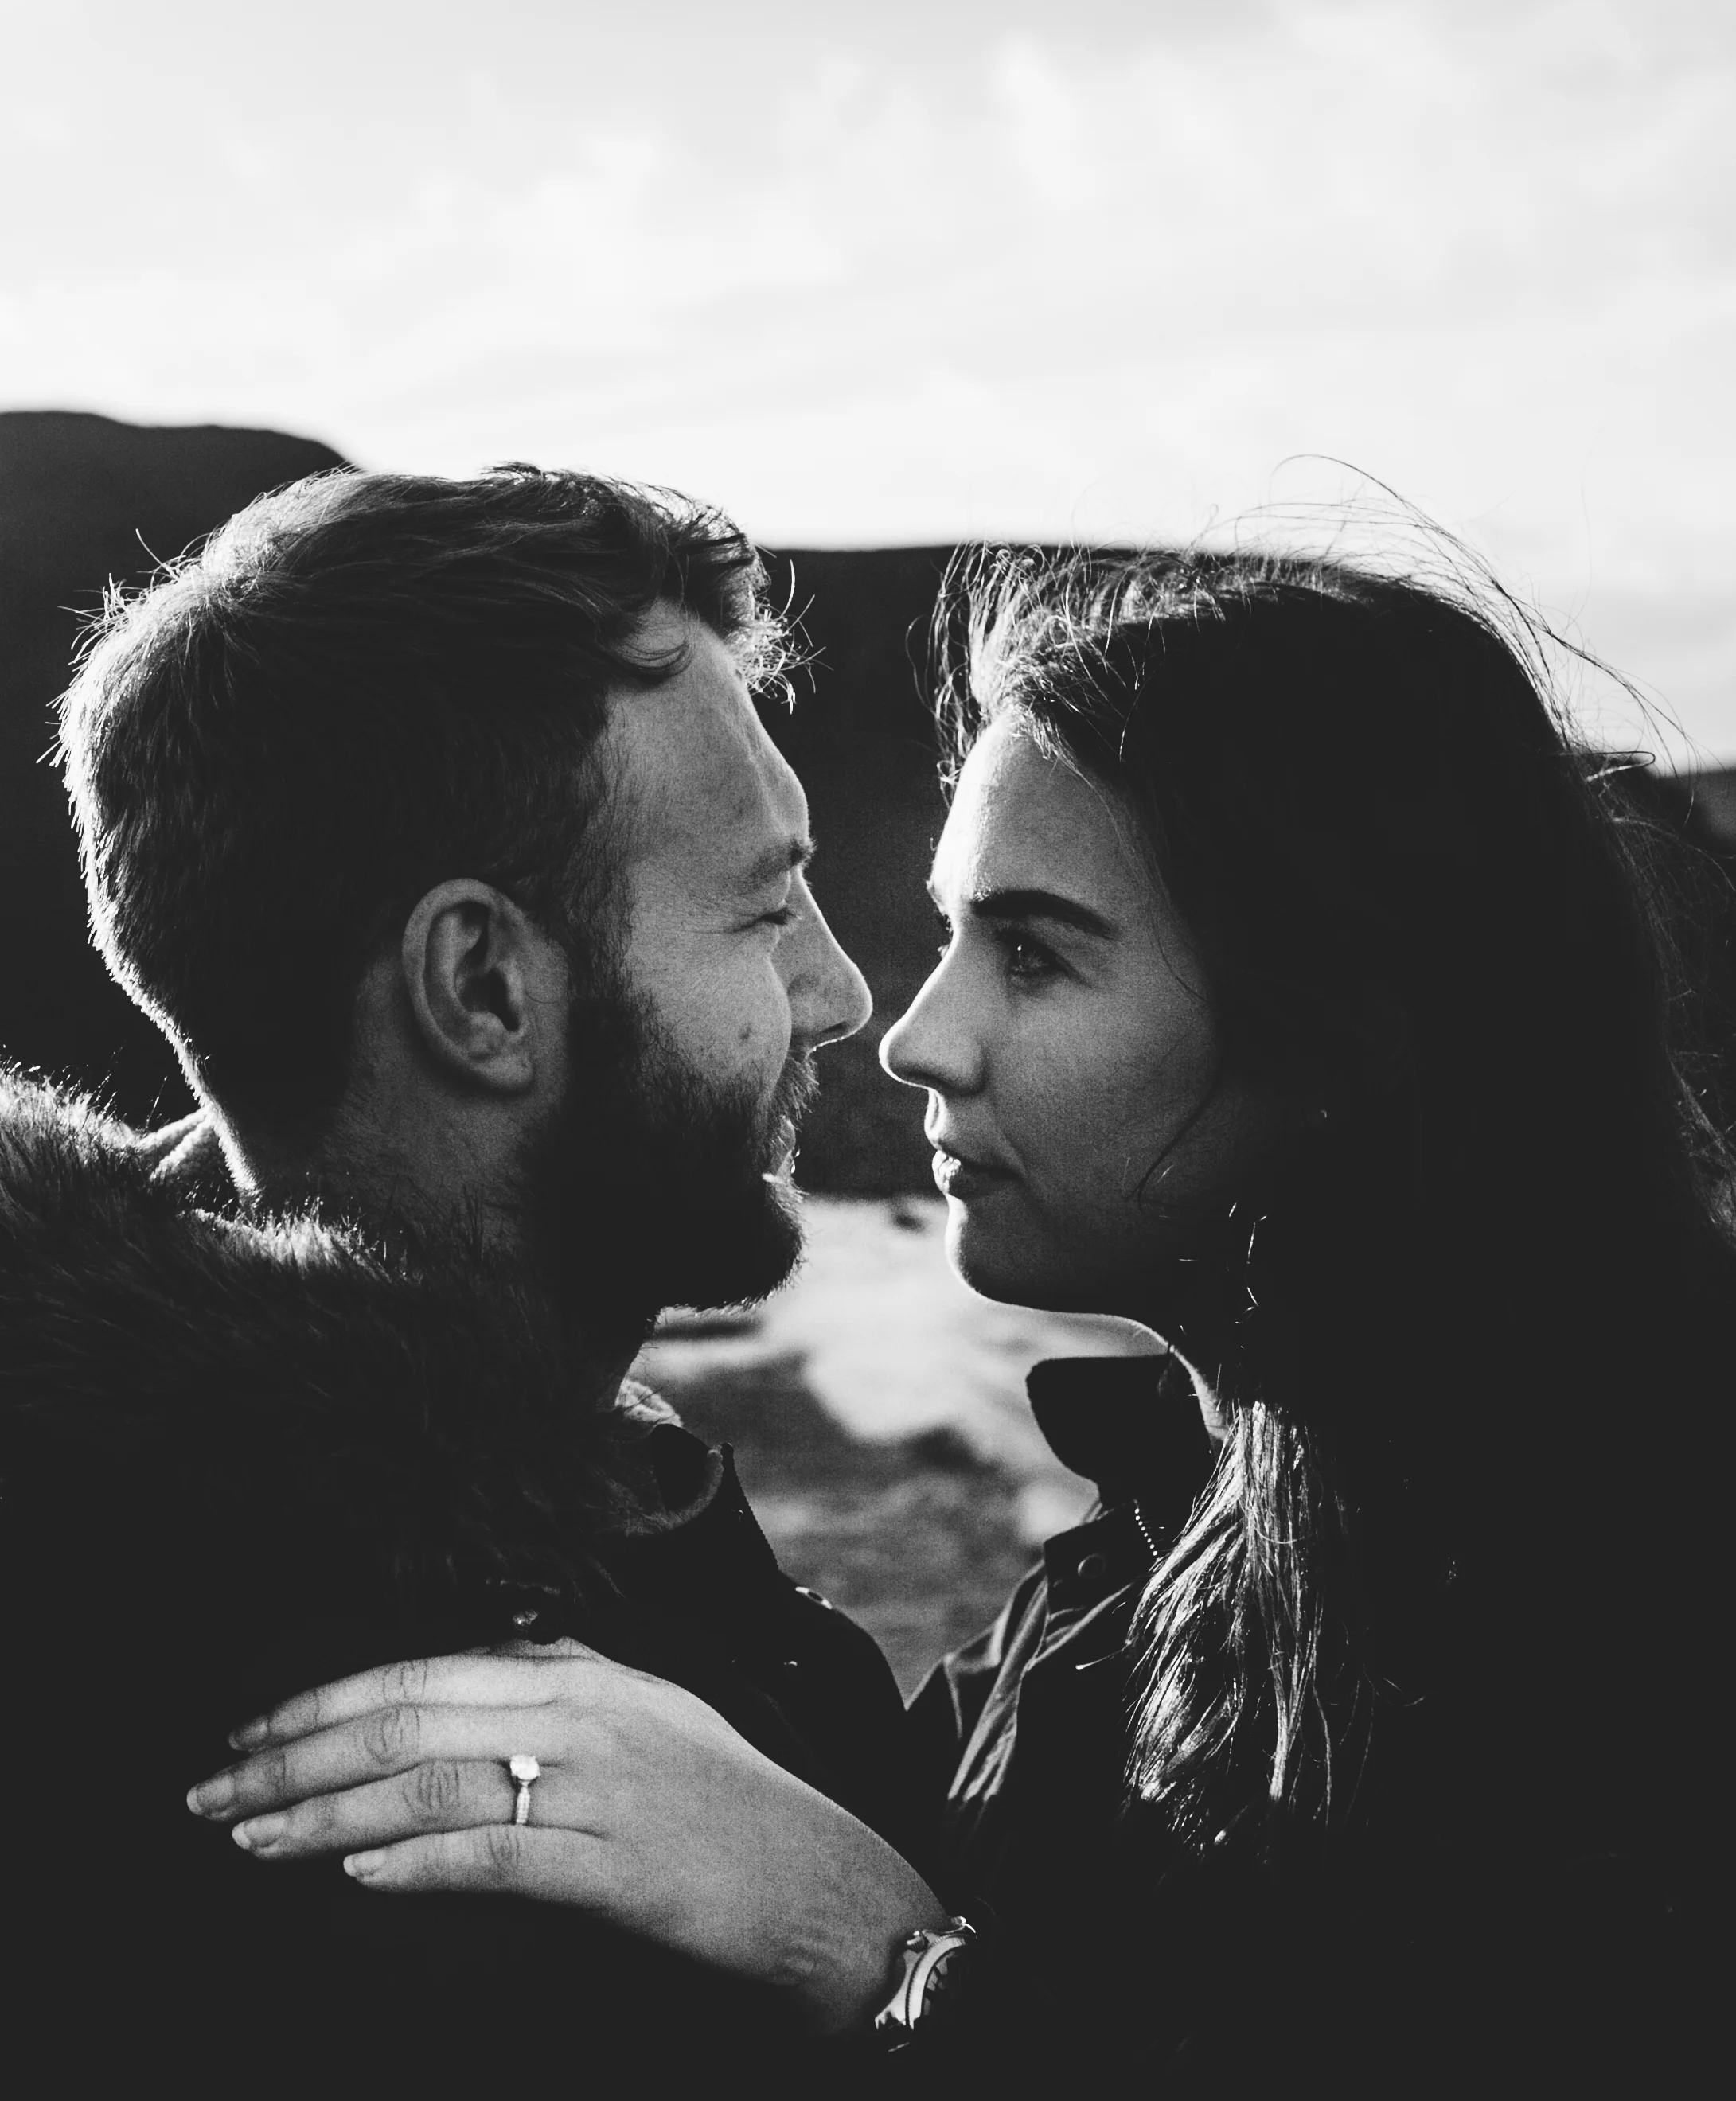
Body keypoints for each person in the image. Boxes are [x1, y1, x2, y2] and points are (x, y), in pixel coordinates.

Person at [196, 541, 1732, 2091]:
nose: (915, 1036)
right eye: (948, 934)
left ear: (1335, 1025)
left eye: (1036, 954)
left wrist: (879, 1960)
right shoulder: (1124, 1579)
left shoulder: (1640, 1625)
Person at [0, 465, 925, 2084]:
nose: (840, 993)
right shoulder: (414, 1834)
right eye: (763, 910)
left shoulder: (505, 1491)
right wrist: (890, 1952)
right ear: (483, 987)